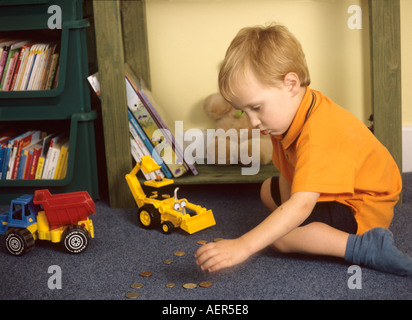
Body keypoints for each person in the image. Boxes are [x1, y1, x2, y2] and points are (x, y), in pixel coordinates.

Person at [195, 24, 412, 276]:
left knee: (282, 240)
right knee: (268, 189)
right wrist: (291, 215)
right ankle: (305, 228)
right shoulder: (281, 118)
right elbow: (290, 173)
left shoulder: (319, 130)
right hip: (337, 191)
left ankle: (364, 246)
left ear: (290, 84)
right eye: (245, 111)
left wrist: (243, 246)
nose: (253, 121)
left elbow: (300, 204)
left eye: (257, 107)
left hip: (360, 206)